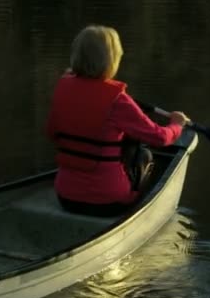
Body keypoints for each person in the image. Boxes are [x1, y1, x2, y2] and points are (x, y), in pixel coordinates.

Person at [46, 25, 189, 216]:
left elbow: (52, 133)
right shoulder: (118, 101)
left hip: (66, 196)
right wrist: (176, 124)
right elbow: (160, 138)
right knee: (144, 155)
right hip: (109, 201)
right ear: (112, 59)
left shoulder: (63, 89)